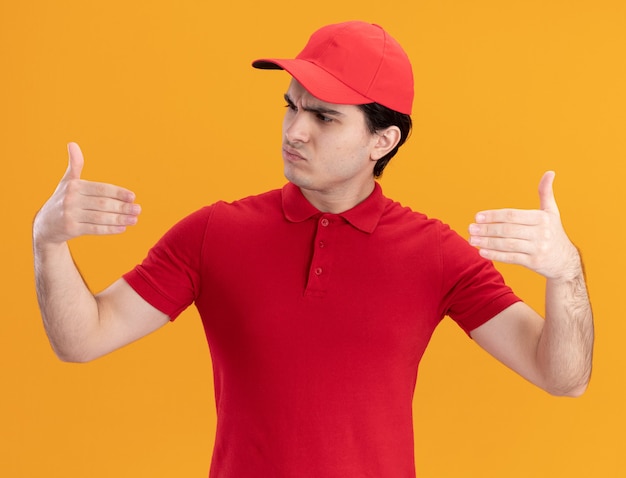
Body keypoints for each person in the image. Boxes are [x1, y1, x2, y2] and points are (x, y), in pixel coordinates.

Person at [33, 21, 593, 478]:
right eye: (291, 106)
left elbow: (562, 377)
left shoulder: (435, 254)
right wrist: (48, 242)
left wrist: (565, 272)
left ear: (383, 140)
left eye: (323, 116)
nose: (294, 131)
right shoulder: (214, 233)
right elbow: (83, 338)